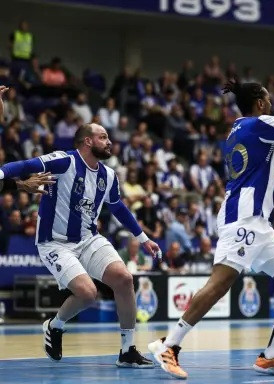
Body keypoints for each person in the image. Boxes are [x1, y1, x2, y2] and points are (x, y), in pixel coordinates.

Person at [148, 80, 274, 379]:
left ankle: (270, 355)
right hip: (243, 217)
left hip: (257, 221)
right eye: (268, 99)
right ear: (260, 103)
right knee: (220, 283)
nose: (271, 104)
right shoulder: (261, 123)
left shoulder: (239, 129)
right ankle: (169, 345)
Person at [0, 123, 161, 368]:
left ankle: (127, 350)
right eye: (103, 137)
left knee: (124, 279)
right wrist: (1, 174)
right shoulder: (64, 161)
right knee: (87, 293)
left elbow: (118, 207)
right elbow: (25, 166)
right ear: (88, 141)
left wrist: (143, 238)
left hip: (88, 239)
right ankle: (55, 325)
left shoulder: (108, 175)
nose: (109, 142)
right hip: (54, 242)